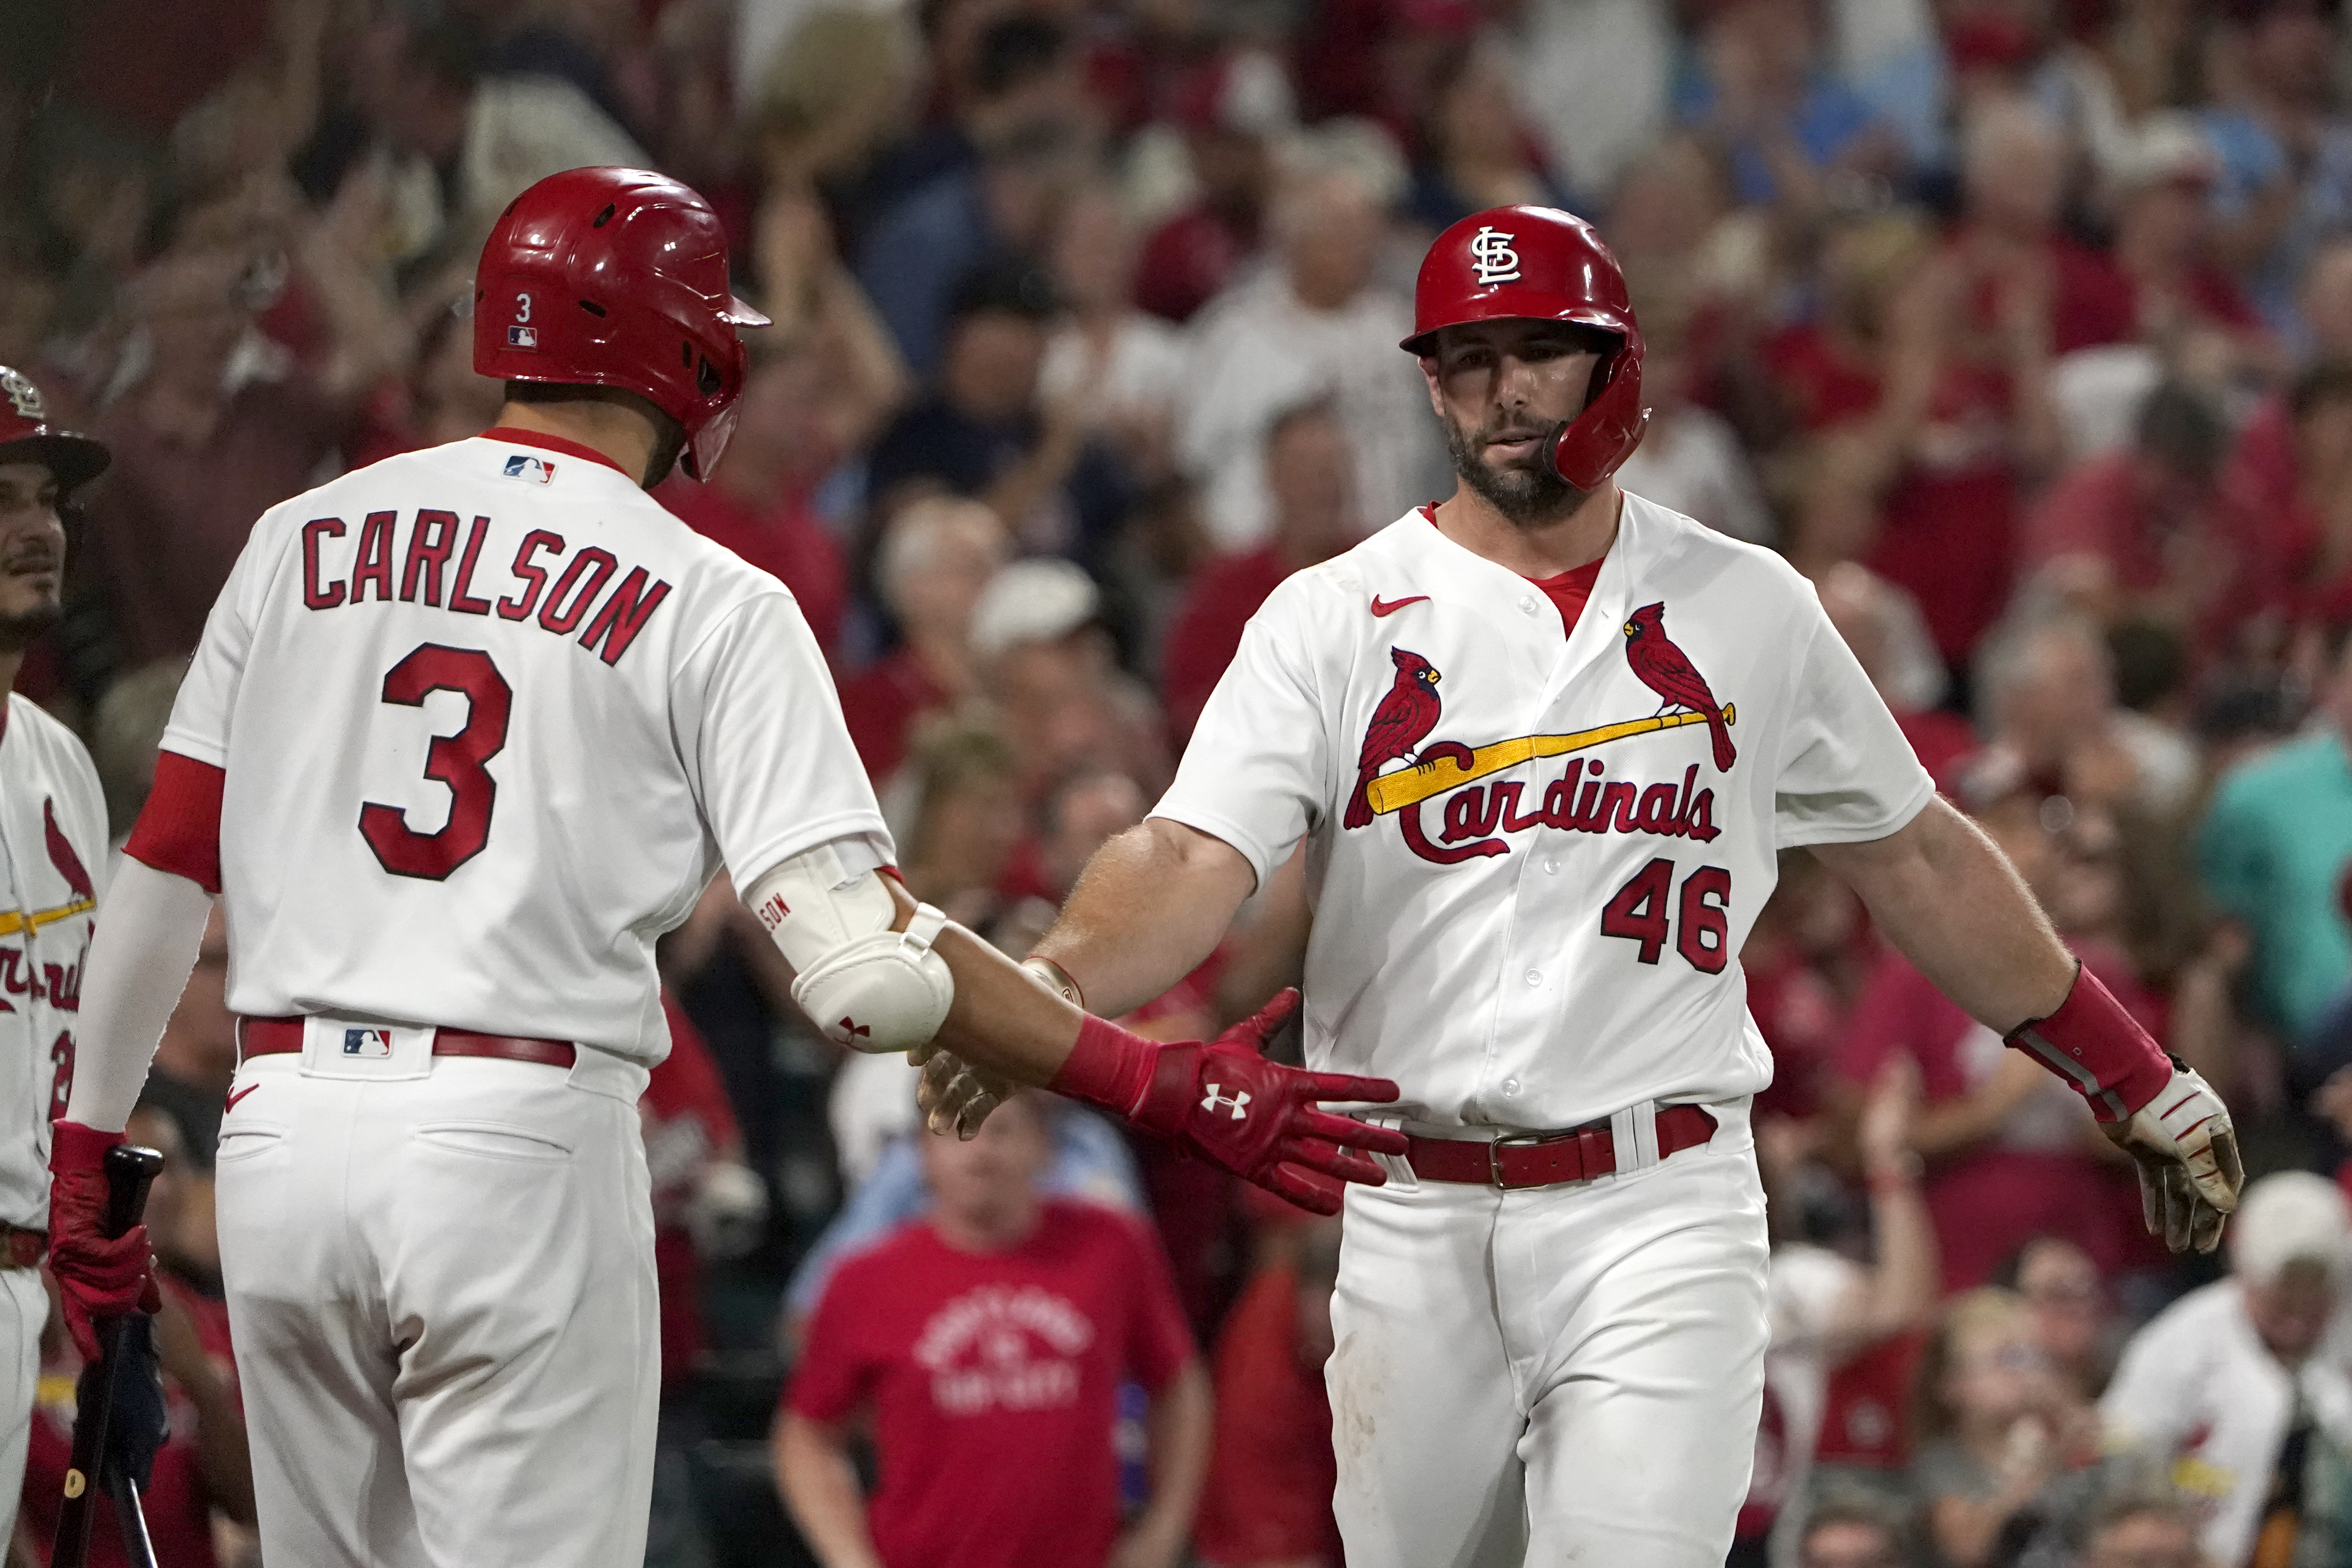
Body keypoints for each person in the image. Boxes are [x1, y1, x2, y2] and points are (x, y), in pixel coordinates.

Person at [41, 167, 1403, 1568]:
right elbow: (862, 969)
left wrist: (84, 1139)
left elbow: (162, 860)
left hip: (284, 1131)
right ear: (678, 353)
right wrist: (1146, 1075)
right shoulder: (709, 589)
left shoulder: (302, 534)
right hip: (509, 1134)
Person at [917, 204, 2240, 1568]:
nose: (1502, 391)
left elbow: (1915, 850)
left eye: (1537, 352)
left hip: (1657, 1196)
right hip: (1413, 1202)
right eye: (1467, 360)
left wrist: (2131, 1069)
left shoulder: (1750, 603)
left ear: (1618, 364)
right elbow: (1192, 852)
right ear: (1430, 383)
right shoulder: (1332, 613)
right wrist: (1057, 979)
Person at [774, 1089, 1212, 1568]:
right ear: (922, 1153)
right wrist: (850, 1558)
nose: (981, 1151)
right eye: (958, 1131)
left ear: (1045, 1146)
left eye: (1002, 1130)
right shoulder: (863, 1280)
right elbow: (806, 1437)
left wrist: (1162, 1533)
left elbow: (1179, 1387)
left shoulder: (1113, 1247)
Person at [0, 369, 114, 1555]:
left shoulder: (60, 764)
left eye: (47, 497)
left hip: (21, 1277)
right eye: (0, 496)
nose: (37, 527)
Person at [2103, 1171, 2352, 1568]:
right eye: (2282, 1306)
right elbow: (2121, 1461)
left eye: (2314, 1307)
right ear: (2244, 1277)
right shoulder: (2179, 1344)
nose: (2297, 1324)